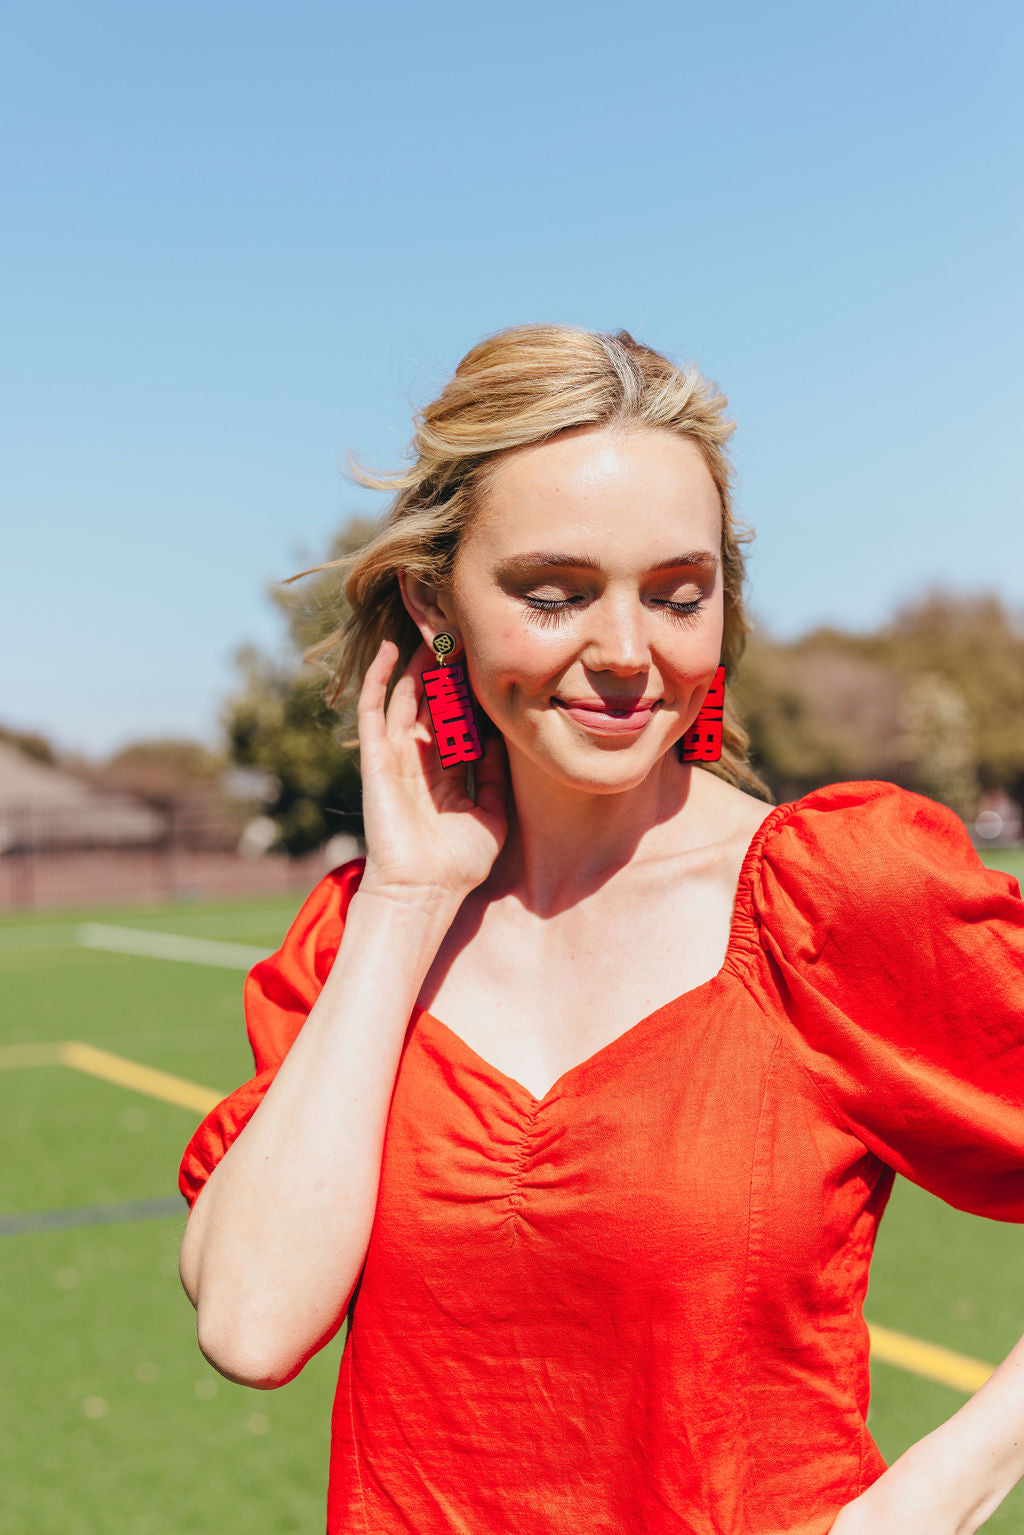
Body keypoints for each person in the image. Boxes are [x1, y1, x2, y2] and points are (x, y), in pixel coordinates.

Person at [178, 324, 1024, 1535]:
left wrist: (939, 1492)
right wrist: (410, 902)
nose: (628, 654)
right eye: (554, 592)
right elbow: (251, 1324)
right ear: (435, 604)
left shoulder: (834, 894)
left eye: (679, 594)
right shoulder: (359, 940)